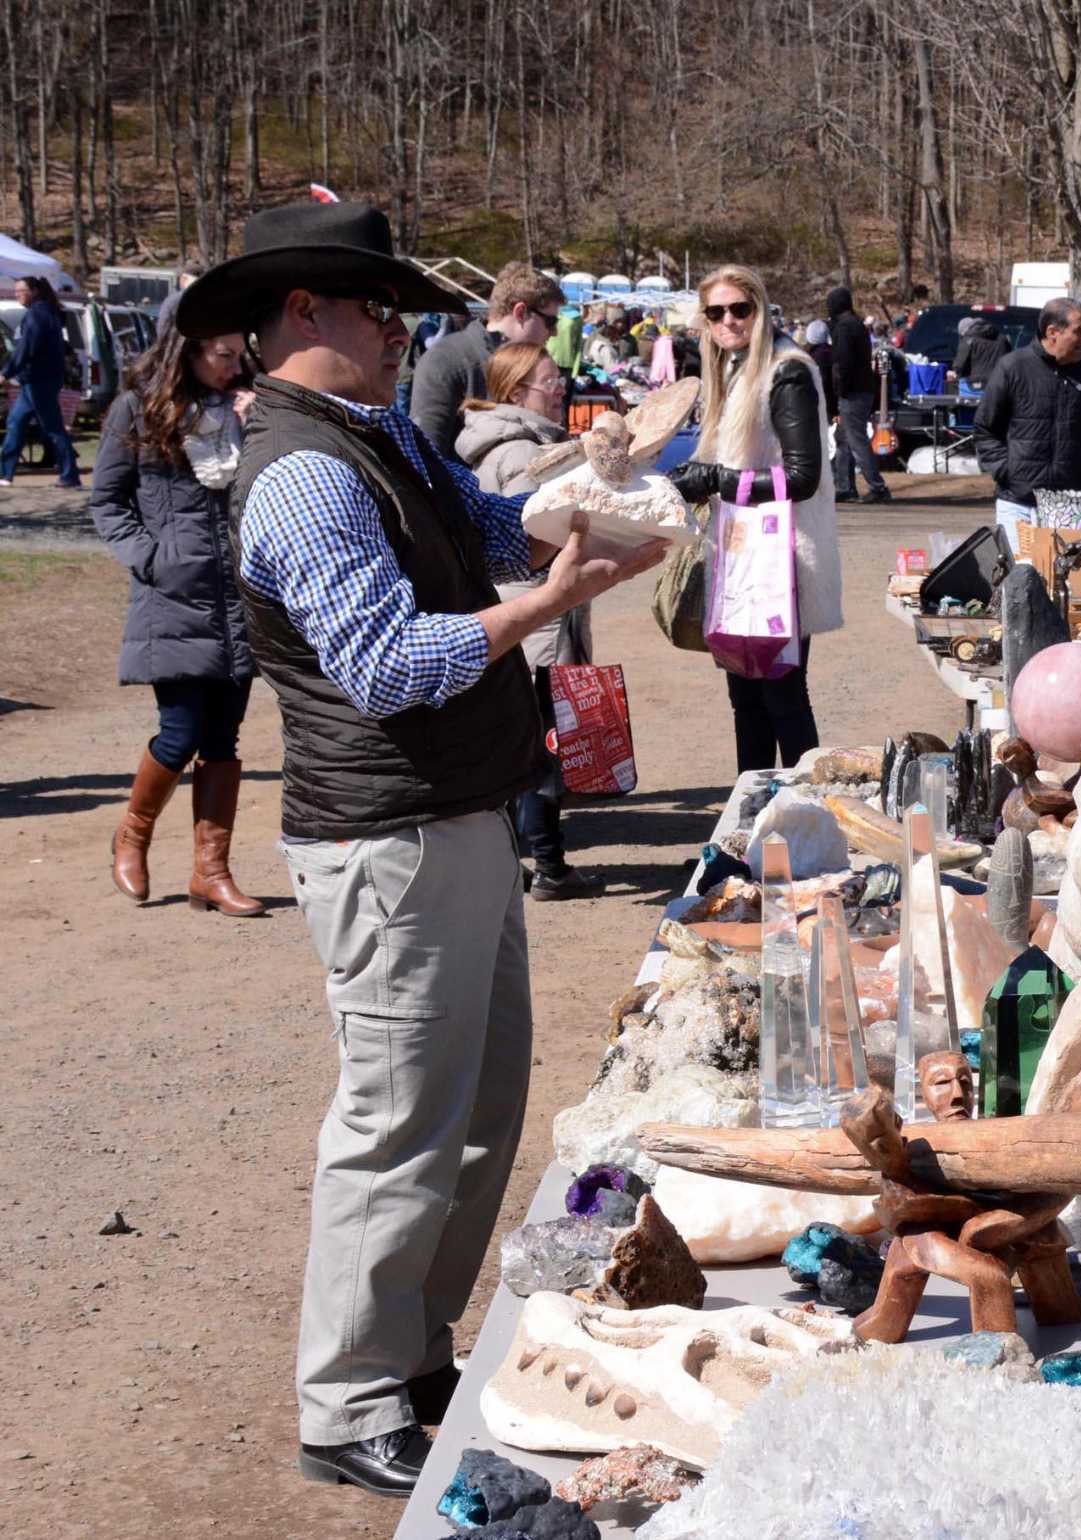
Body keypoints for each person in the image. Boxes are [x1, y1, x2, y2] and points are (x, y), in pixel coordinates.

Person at [176, 200, 665, 1497]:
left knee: (477, 1111)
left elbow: (483, 533)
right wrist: (540, 609)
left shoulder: (375, 434)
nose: (402, 334)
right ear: (302, 315)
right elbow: (386, 667)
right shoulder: (301, 470)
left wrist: (579, 538)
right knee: (394, 1126)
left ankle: (413, 1358)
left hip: (456, 818)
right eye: (378, 310)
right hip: (387, 837)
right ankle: (345, 1403)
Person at [88, 293, 262, 916]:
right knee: (180, 732)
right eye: (223, 354)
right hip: (174, 598)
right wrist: (150, 557)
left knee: (225, 737)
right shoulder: (137, 410)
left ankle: (210, 873)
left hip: (239, 598)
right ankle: (132, 835)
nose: (233, 364)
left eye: (240, 353)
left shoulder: (249, 406)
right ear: (185, 349)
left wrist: (257, 423)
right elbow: (107, 501)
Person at [670, 264, 844, 772]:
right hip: (742, 556)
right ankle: (747, 830)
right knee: (747, 703)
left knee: (783, 700)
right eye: (716, 312)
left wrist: (714, 480)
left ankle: (801, 823)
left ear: (760, 309)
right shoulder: (732, 368)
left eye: (739, 309)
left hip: (780, 564)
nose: (729, 321)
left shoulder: (786, 371)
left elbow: (802, 477)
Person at [454, 343, 599, 901]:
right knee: (541, 747)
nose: (559, 386)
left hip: (522, 616)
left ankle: (522, 864)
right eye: (548, 381)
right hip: (534, 618)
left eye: (559, 377)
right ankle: (550, 867)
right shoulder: (518, 454)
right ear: (516, 393)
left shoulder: (513, 444)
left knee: (523, 744)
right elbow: (530, 540)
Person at [974, 297, 1081, 547]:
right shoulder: (1012, 367)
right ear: (1053, 332)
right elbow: (986, 428)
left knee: (1072, 582)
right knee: (1022, 578)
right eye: (1078, 331)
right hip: (1018, 501)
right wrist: (1007, 471)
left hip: (1071, 504)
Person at [408, 261, 564, 454]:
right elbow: (427, 453)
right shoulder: (445, 360)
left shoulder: (537, 364)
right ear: (521, 312)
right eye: (550, 321)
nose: (555, 332)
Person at [0, 275, 81, 488]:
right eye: (15, 291)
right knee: (15, 423)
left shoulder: (38, 315)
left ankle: (69, 475)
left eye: (21, 291)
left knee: (53, 428)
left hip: (40, 381)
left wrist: (6, 373)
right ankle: (5, 474)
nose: (17, 295)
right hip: (34, 381)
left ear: (34, 291)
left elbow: (26, 348)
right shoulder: (44, 313)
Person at [827, 285, 889, 503]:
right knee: (843, 438)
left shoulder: (844, 328)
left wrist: (839, 390)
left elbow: (842, 362)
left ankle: (877, 486)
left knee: (856, 440)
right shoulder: (857, 324)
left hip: (852, 391)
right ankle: (844, 486)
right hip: (861, 388)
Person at [955, 313, 1009, 389]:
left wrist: (957, 374)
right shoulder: (1002, 338)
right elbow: (1010, 361)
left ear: (965, 330)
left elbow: (959, 366)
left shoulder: (968, 339)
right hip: (999, 385)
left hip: (974, 386)